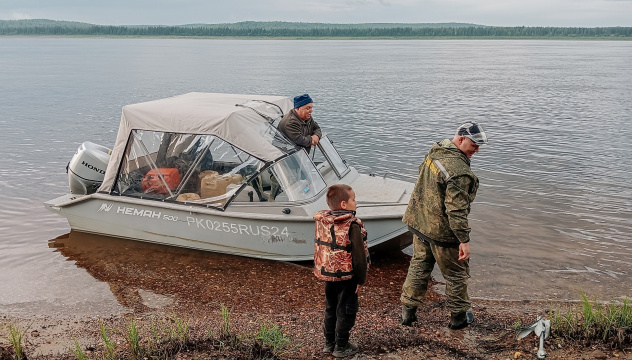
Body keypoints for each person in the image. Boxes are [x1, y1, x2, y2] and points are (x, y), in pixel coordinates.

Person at [400, 121, 488, 330]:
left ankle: (407, 314)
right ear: (460, 139)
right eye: (474, 145)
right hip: (441, 232)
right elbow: (456, 211)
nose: (476, 150)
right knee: (456, 274)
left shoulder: (436, 150)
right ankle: (458, 319)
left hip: (420, 223)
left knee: (419, 266)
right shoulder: (459, 171)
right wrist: (464, 240)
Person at [313, 184, 369, 358]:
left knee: (331, 308)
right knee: (346, 309)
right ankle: (341, 346)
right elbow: (359, 257)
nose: (356, 202)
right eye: (354, 199)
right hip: (347, 277)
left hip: (329, 275)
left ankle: (329, 344)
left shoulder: (324, 221)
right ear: (344, 204)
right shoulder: (352, 226)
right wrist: (361, 280)